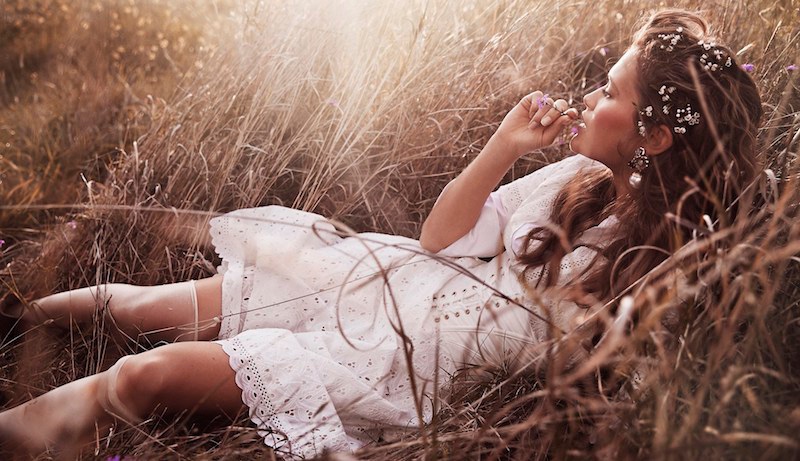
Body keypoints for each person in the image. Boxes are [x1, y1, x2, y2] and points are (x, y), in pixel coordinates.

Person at [0, 8, 761, 458]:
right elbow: (439, 239)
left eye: (611, 92)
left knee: (145, 373)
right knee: (129, 305)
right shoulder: (571, 183)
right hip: (373, 282)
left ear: (654, 137)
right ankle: (18, 317)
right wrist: (504, 147)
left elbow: (605, 388)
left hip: (392, 372)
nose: (591, 97)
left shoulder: (654, 271)